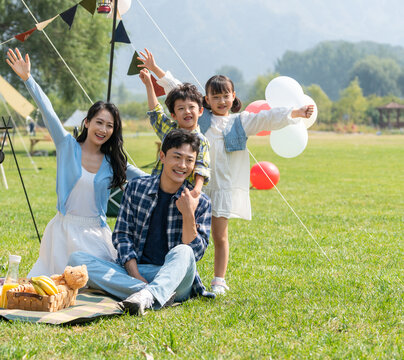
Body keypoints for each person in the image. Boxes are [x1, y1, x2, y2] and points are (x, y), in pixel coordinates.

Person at [138, 49, 314, 295]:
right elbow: (176, 88)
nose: (221, 101)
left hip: (222, 188)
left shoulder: (241, 122)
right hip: (193, 186)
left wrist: (294, 113)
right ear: (205, 101)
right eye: (215, 96)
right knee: (183, 232)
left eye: (226, 96)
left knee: (220, 236)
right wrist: (156, 70)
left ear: (234, 97)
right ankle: (181, 274)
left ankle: (218, 279)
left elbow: (268, 118)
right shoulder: (201, 118)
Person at [6, 48, 146, 277]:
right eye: (99, 122)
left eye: (110, 126)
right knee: (59, 285)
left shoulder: (114, 162)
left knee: (99, 283)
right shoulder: (66, 145)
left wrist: (183, 177)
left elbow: (147, 179)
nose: (103, 129)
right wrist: (28, 79)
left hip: (96, 233)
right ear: (87, 122)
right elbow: (48, 111)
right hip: (63, 233)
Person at [69, 129, 214, 316]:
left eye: (189, 160)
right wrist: (135, 274)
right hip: (136, 271)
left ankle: (148, 293)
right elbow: (122, 235)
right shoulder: (136, 188)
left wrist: (188, 213)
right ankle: (151, 294)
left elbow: (194, 254)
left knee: (184, 251)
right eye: (177, 157)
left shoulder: (201, 201)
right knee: (77, 260)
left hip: (177, 278)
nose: (182, 165)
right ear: (162, 156)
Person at [138, 68, 210, 198]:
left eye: (191, 107)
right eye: (181, 108)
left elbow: (201, 167)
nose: (187, 111)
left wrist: (196, 191)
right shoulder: (169, 130)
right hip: (158, 190)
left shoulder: (201, 140)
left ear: (200, 111)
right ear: (174, 115)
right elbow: (156, 113)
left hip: (183, 193)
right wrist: (149, 84)